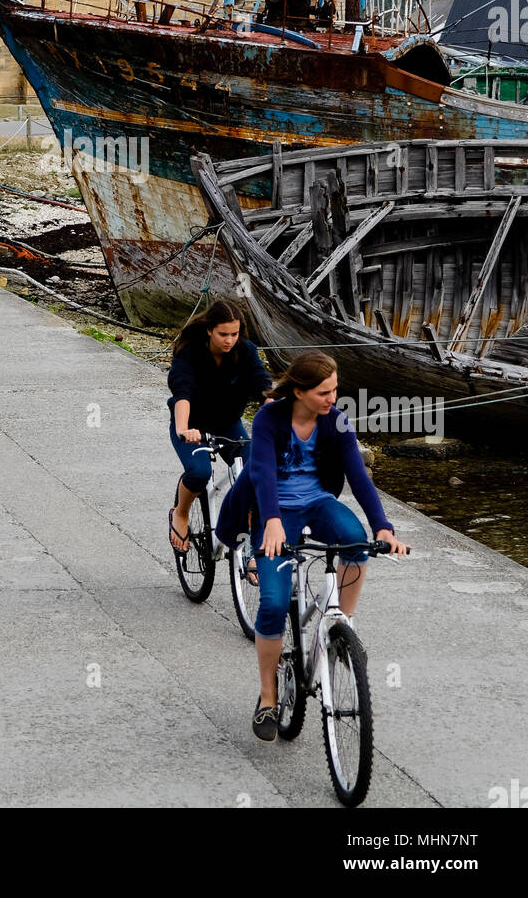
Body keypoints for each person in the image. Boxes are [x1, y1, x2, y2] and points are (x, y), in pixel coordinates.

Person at [214, 350, 410, 743]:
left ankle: (342, 626)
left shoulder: (335, 420)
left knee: (356, 542)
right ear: (300, 391)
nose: (332, 400)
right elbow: (263, 474)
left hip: (318, 502)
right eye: (324, 392)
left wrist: (383, 528)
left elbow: (358, 474)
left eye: (335, 390)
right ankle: (268, 696)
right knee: (271, 604)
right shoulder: (270, 418)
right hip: (274, 510)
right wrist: (270, 522)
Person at [167, 298, 271, 555]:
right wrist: (183, 429)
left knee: (257, 474)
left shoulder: (246, 351)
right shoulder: (190, 352)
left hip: (228, 424)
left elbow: (263, 386)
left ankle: (252, 548)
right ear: (209, 330)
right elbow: (183, 394)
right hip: (192, 425)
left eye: (234, 334)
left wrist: (278, 412)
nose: (229, 340)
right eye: (223, 334)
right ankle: (180, 512)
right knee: (200, 473)